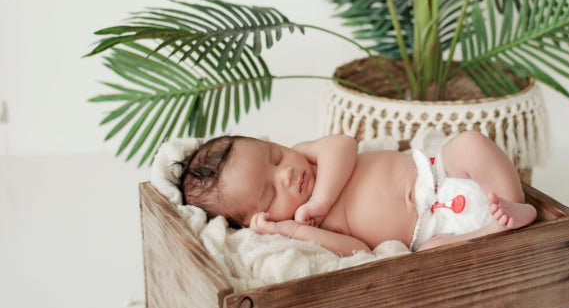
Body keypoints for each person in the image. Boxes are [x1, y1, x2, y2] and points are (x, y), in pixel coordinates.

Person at [178, 130, 537, 256]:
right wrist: (292, 230)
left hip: (441, 173)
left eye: (274, 156)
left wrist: (321, 200)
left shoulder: (310, 155)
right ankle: (494, 230)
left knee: (469, 145)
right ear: (263, 218)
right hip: (434, 230)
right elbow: (358, 251)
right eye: (270, 194)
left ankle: (511, 205)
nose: (286, 173)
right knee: (431, 257)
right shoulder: (305, 228)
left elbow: (344, 145)